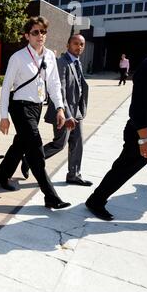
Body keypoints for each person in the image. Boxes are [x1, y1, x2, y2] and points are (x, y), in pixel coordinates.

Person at [0, 16, 71, 209]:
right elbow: (6, 87)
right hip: (20, 107)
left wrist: (60, 108)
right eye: (35, 32)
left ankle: (1, 175)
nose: (40, 36)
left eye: (43, 32)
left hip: (36, 107)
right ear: (27, 35)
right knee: (35, 146)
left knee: (21, 144)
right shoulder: (18, 57)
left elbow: (54, 84)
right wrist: (3, 116)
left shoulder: (50, 56)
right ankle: (50, 195)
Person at [22, 34, 93, 186]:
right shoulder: (61, 63)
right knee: (60, 144)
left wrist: (79, 110)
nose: (79, 47)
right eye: (75, 44)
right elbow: (59, 91)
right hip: (64, 113)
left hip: (76, 112)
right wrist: (67, 114)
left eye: (81, 44)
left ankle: (74, 174)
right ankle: (29, 159)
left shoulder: (78, 63)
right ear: (68, 45)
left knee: (78, 142)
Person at [86, 56, 147, 221]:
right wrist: (144, 140)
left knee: (123, 169)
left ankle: (96, 199)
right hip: (141, 133)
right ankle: (96, 200)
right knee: (123, 169)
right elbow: (138, 109)